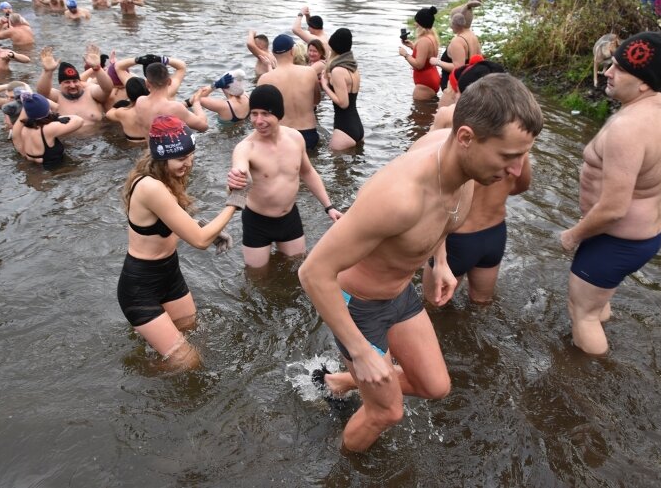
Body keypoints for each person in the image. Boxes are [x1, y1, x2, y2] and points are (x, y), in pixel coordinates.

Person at [298, 73, 543, 453]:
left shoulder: (471, 168)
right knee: (387, 413)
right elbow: (312, 272)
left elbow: (440, 217)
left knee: (435, 386)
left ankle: (339, 381)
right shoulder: (399, 197)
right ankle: (344, 468)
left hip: (399, 295)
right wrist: (361, 352)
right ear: (465, 138)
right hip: (358, 305)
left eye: (522, 155)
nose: (516, 170)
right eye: (509, 156)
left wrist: (439, 259)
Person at [560, 32, 661, 355]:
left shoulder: (628, 129)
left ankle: (589, 383)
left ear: (643, 82)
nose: (607, 73)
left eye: (619, 69)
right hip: (643, 236)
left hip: (617, 238)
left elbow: (614, 207)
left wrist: (573, 235)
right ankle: (602, 330)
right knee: (597, 304)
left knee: (581, 312)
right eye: (611, 64)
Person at [118, 115, 245, 370]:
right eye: (180, 159)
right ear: (161, 158)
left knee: (194, 332)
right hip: (141, 287)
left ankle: (153, 344)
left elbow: (169, 222)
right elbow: (199, 242)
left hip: (170, 275)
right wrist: (236, 202)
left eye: (190, 155)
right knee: (187, 361)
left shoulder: (166, 179)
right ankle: (136, 368)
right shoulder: (150, 187)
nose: (187, 164)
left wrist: (200, 226)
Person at [420, 60, 528, 305]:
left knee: (431, 309)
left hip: (454, 238)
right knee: (482, 304)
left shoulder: (451, 117)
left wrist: (439, 259)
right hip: (494, 233)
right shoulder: (516, 137)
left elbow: (427, 174)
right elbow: (522, 185)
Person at [225, 84, 342, 268]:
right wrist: (234, 182)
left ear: (278, 114)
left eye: (265, 113)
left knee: (297, 270)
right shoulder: (246, 148)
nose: (258, 120)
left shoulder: (295, 138)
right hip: (257, 222)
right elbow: (239, 175)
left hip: (289, 218)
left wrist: (329, 207)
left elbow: (307, 172)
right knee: (257, 278)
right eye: (254, 113)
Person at [257, 34, 321, 150]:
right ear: (292, 51)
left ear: (274, 54)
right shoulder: (310, 72)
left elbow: (260, 114)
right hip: (309, 134)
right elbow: (316, 101)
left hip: (283, 135)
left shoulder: (264, 79)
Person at [36, 45, 114, 128]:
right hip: (68, 140)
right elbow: (42, 93)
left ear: (80, 81)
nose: (72, 85)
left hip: (97, 138)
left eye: (75, 81)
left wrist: (97, 68)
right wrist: (48, 71)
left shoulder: (91, 93)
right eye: (67, 82)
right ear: (60, 84)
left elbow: (107, 89)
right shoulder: (57, 97)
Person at [431, 0, 482, 107]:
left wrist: (437, 62)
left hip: (453, 89)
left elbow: (458, 67)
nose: (450, 24)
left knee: (443, 121)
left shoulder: (458, 41)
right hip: (468, 87)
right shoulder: (473, 37)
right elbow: (478, 62)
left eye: (451, 20)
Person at [12, 93, 84, 169]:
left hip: (34, 168)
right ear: (47, 110)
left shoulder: (24, 129)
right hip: (54, 171)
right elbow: (79, 120)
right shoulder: (48, 129)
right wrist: (57, 118)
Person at [134, 61, 208, 135]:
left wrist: (187, 103)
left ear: (146, 83)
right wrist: (196, 102)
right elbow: (203, 126)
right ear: (169, 81)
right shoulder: (175, 107)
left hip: (150, 146)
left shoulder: (140, 102)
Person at [320, 28, 363, 150]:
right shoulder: (353, 67)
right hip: (358, 127)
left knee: (337, 166)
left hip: (344, 128)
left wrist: (324, 86)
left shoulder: (337, 71)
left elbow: (343, 103)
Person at [399, 6, 441, 101]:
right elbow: (427, 56)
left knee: (418, 114)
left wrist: (405, 54)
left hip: (425, 84)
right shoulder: (431, 37)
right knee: (428, 113)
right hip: (432, 78)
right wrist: (413, 46)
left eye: (416, 21)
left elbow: (419, 65)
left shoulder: (423, 41)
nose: (415, 24)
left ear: (421, 23)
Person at [105, 76, 150, 142]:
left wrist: (123, 103)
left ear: (128, 94)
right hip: (149, 143)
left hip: (130, 144)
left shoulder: (122, 113)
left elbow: (108, 114)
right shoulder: (154, 110)